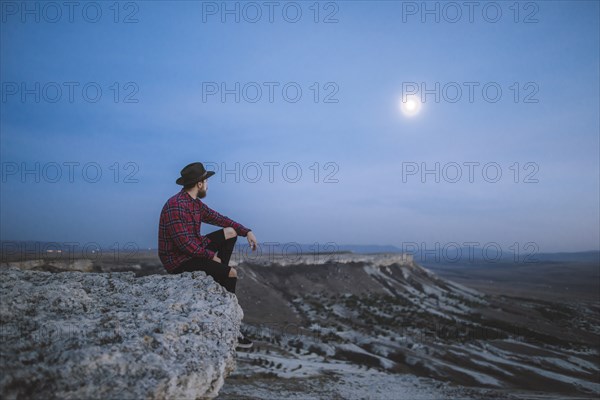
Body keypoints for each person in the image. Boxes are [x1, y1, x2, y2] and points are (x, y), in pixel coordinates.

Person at [158, 162, 258, 349]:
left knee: (230, 231)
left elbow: (219, 218)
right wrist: (211, 256)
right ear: (200, 184)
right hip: (179, 260)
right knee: (232, 273)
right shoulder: (175, 206)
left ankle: (217, 275)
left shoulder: (194, 204)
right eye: (206, 181)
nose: (208, 185)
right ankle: (232, 331)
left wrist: (247, 231)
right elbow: (184, 244)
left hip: (193, 250)